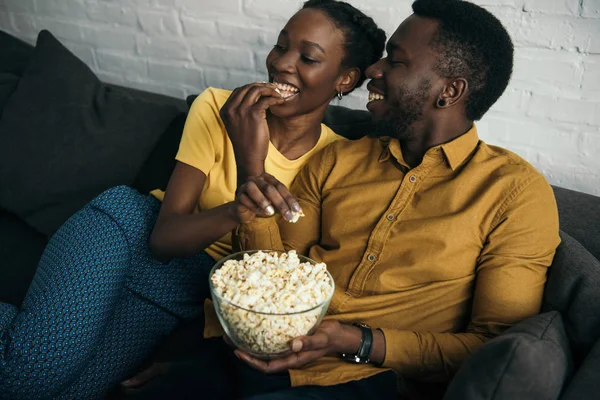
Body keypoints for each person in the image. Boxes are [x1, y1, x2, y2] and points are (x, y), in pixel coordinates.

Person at [164, 0, 558, 398]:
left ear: (449, 91)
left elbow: (494, 345)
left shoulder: (513, 193)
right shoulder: (338, 160)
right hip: (261, 350)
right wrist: (253, 173)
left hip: (363, 381)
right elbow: (272, 271)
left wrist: (357, 341)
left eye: (396, 62)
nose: (372, 70)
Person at [0, 1, 385, 399]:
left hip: (183, 290)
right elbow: (163, 239)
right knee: (27, 375)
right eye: (280, 46)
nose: (282, 64)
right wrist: (242, 193)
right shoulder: (219, 107)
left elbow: (273, 279)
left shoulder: (338, 161)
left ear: (344, 79)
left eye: (307, 57)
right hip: (127, 232)